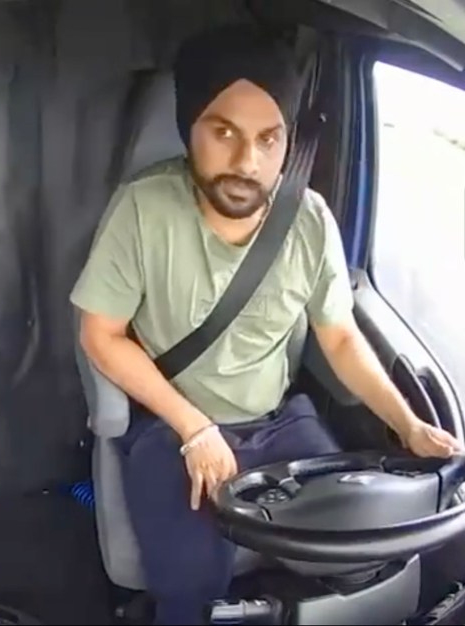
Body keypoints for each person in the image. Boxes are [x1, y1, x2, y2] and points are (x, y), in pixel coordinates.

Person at [70, 23, 462, 625]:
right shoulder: (143, 209)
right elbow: (101, 333)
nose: (246, 162)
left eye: (268, 138)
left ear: (288, 142)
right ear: (189, 129)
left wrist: (407, 424)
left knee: (360, 553)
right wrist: (195, 429)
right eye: (222, 132)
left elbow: (340, 337)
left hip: (279, 426)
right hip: (171, 427)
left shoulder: (309, 220)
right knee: (190, 586)